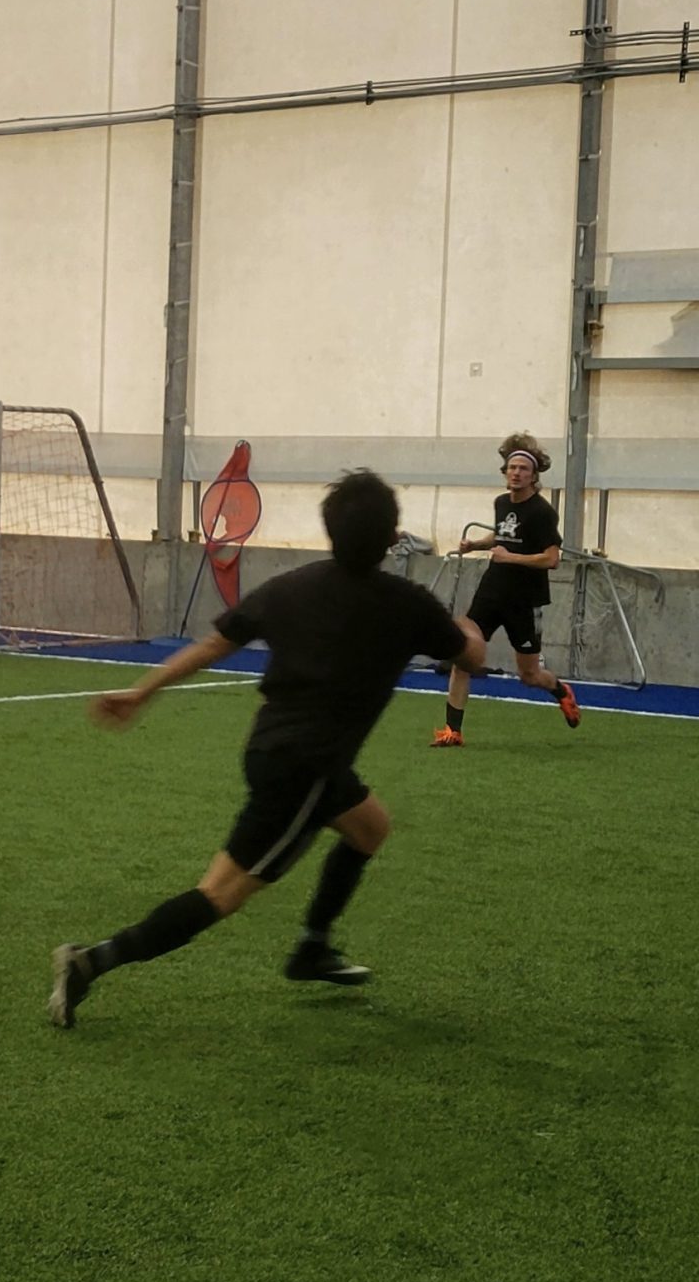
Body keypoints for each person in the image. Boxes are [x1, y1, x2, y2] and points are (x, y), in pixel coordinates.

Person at [49, 470, 484, 1029]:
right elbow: (469, 658)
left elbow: (213, 644)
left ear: (330, 531)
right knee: (220, 894)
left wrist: (142, 692)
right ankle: (88, 962)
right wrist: (470, 627)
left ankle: (312, 946)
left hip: (276, 750)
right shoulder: (408, 604)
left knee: (370, 826)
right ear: (392, 536)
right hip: (306, 770)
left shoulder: (291, 586)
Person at [432, 432, 580, 746]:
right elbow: (503, 537)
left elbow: (552, 559)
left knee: (530, 676)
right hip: (491, 592)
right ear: (505, 472)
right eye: (511, 467)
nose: (516, 472)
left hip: (524, 601)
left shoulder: (542, 513)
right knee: (464, 656)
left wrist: (510, 557)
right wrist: (474, 544)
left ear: (533, 476)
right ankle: (452, 731)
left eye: (523, 469)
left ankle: (560, 691)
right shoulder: (501, 503)